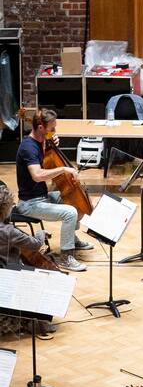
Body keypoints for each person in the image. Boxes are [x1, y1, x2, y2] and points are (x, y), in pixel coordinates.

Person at [15, 108, 94, 271]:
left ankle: (72, 239)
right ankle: (66, 257)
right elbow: (37, 175)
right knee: (70, 212)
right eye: (52, 129)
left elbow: (46, 160)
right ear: (41, 128)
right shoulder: (28, 147)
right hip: (30, 204)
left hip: (42, 196)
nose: (54, 131)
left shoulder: (41, 141)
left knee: (76, 198)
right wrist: (64, 169)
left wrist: (48, 144)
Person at [0, 180, 60, 365]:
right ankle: (35, 323)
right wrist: (41, 233)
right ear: (5, 209)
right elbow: (34, 244)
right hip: (6, 276)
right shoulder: (8, 231)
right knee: (40, 277)